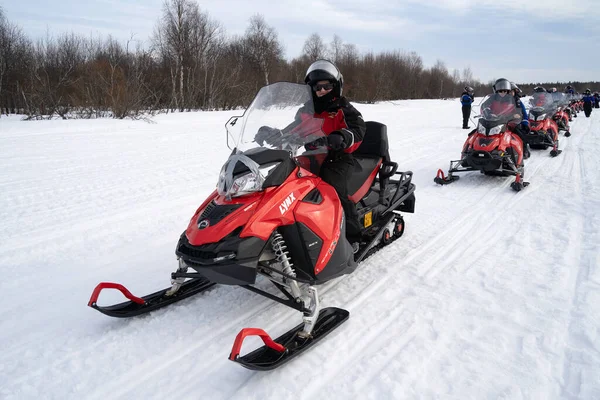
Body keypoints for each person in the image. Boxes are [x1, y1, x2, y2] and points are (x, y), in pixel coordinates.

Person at [255, 60, 366, 251]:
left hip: (338, 158)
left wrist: (341, 137)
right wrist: (276, 135)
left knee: (333, 188)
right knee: (284, 183)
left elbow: (358, 130)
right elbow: (295, 130)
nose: (321, 90)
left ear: (335, 86)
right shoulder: (307, 110)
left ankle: (353, 237)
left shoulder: (343, 108)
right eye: (317, 86)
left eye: (326, 86)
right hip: (314, 155)